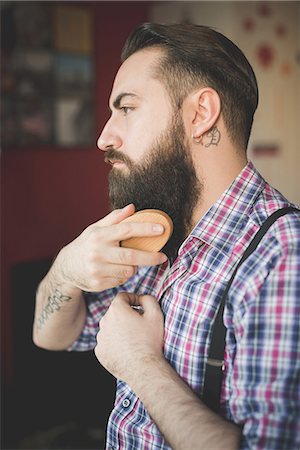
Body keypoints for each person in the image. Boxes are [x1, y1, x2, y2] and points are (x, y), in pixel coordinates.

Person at [33, 23, 300, 450]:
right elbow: (51, 335)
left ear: (199, 114)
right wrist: (66, 270)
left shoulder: (284, 257)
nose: (104, 136)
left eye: (127, 108)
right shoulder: (155, 229)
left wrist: (139, 364)